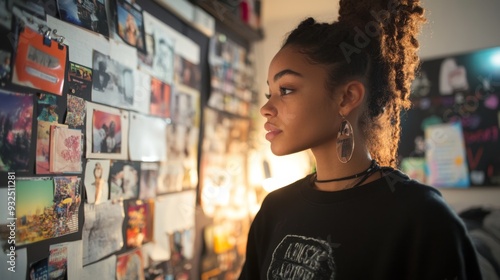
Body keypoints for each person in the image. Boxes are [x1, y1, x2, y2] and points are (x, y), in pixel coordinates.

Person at [238, 0, 482, 279]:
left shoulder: (422, 217)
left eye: (287, 89)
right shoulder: (274, 209)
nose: (266, 109)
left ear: (347, 97)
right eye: (270, 93)